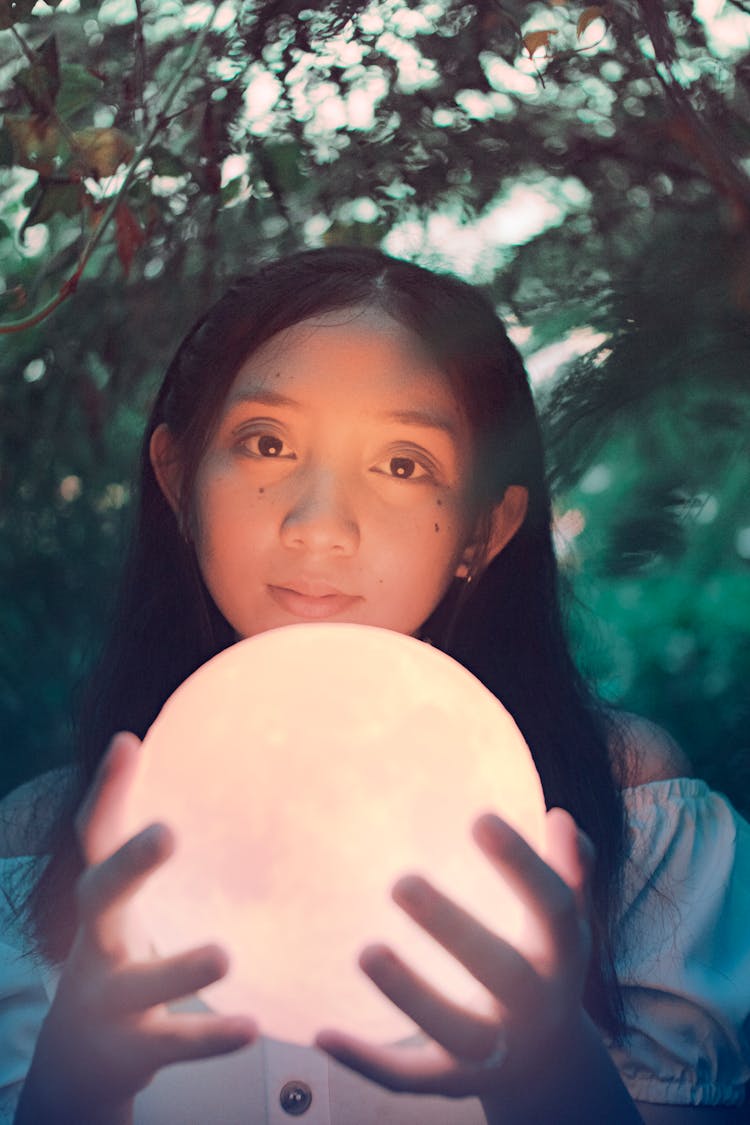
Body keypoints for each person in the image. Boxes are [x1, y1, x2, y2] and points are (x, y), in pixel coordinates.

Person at [0, 246, 747, 1124]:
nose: (320, 526)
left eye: (402, 464)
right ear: (179, 480)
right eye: (266, 443)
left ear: (483, 529)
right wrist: (72, 1088)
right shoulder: (31, 857)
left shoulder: (637, 824)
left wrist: (552, 1077)